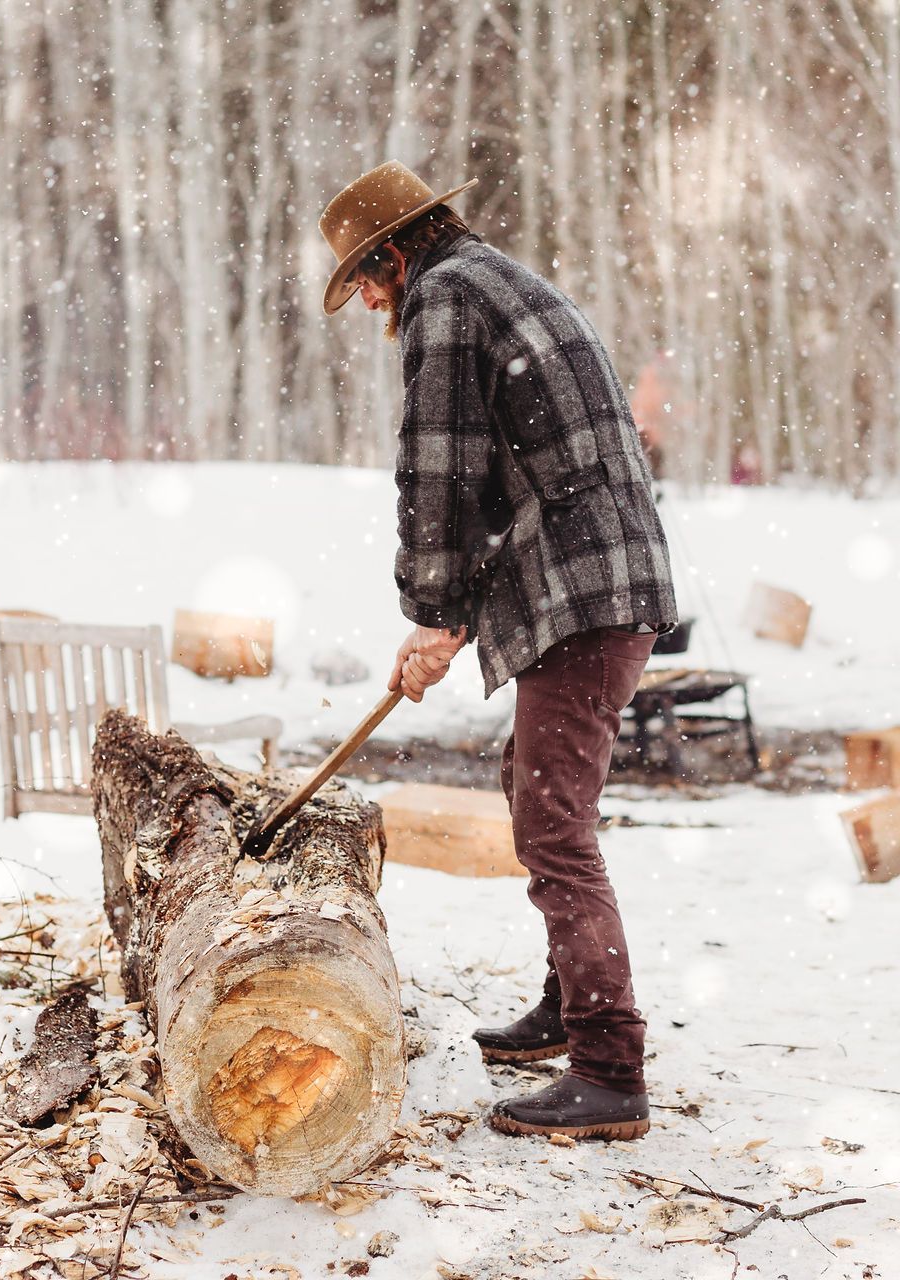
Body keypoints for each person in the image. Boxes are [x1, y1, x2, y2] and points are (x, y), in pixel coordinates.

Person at [318, 161, 678, 1140]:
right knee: (536, 782)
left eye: (363, 276)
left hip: (586, 589)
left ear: (395, 252)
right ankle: (571, 1003)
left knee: (552, 823)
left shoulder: (444, 295)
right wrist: (444, 614)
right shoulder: (490, 281)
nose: (363, 299)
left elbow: (439, 466)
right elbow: (512, 468)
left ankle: (609, 1066)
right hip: (600, 575)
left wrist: (432, 609)